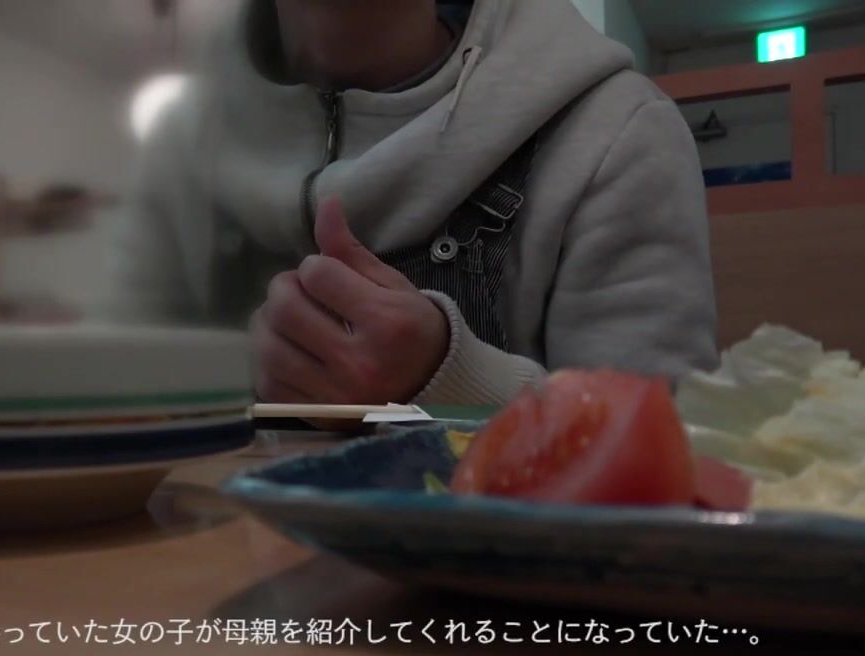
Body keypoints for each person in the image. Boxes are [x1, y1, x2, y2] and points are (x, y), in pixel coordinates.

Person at [108, 0, 718, 407]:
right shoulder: (180, 141)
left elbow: (663, 446)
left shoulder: (616, 130)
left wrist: (451, 380)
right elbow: (121, 394)